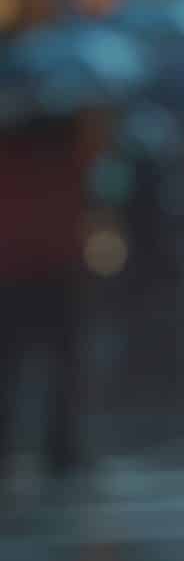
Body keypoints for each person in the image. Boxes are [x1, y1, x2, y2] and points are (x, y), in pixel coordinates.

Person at [0, 116, 95, 490]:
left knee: (13, 367)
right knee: (60, 368)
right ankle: (61, 449)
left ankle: (17, 446)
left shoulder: (12, 155)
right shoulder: (69, 157)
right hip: (54, 273)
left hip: (17, 272)